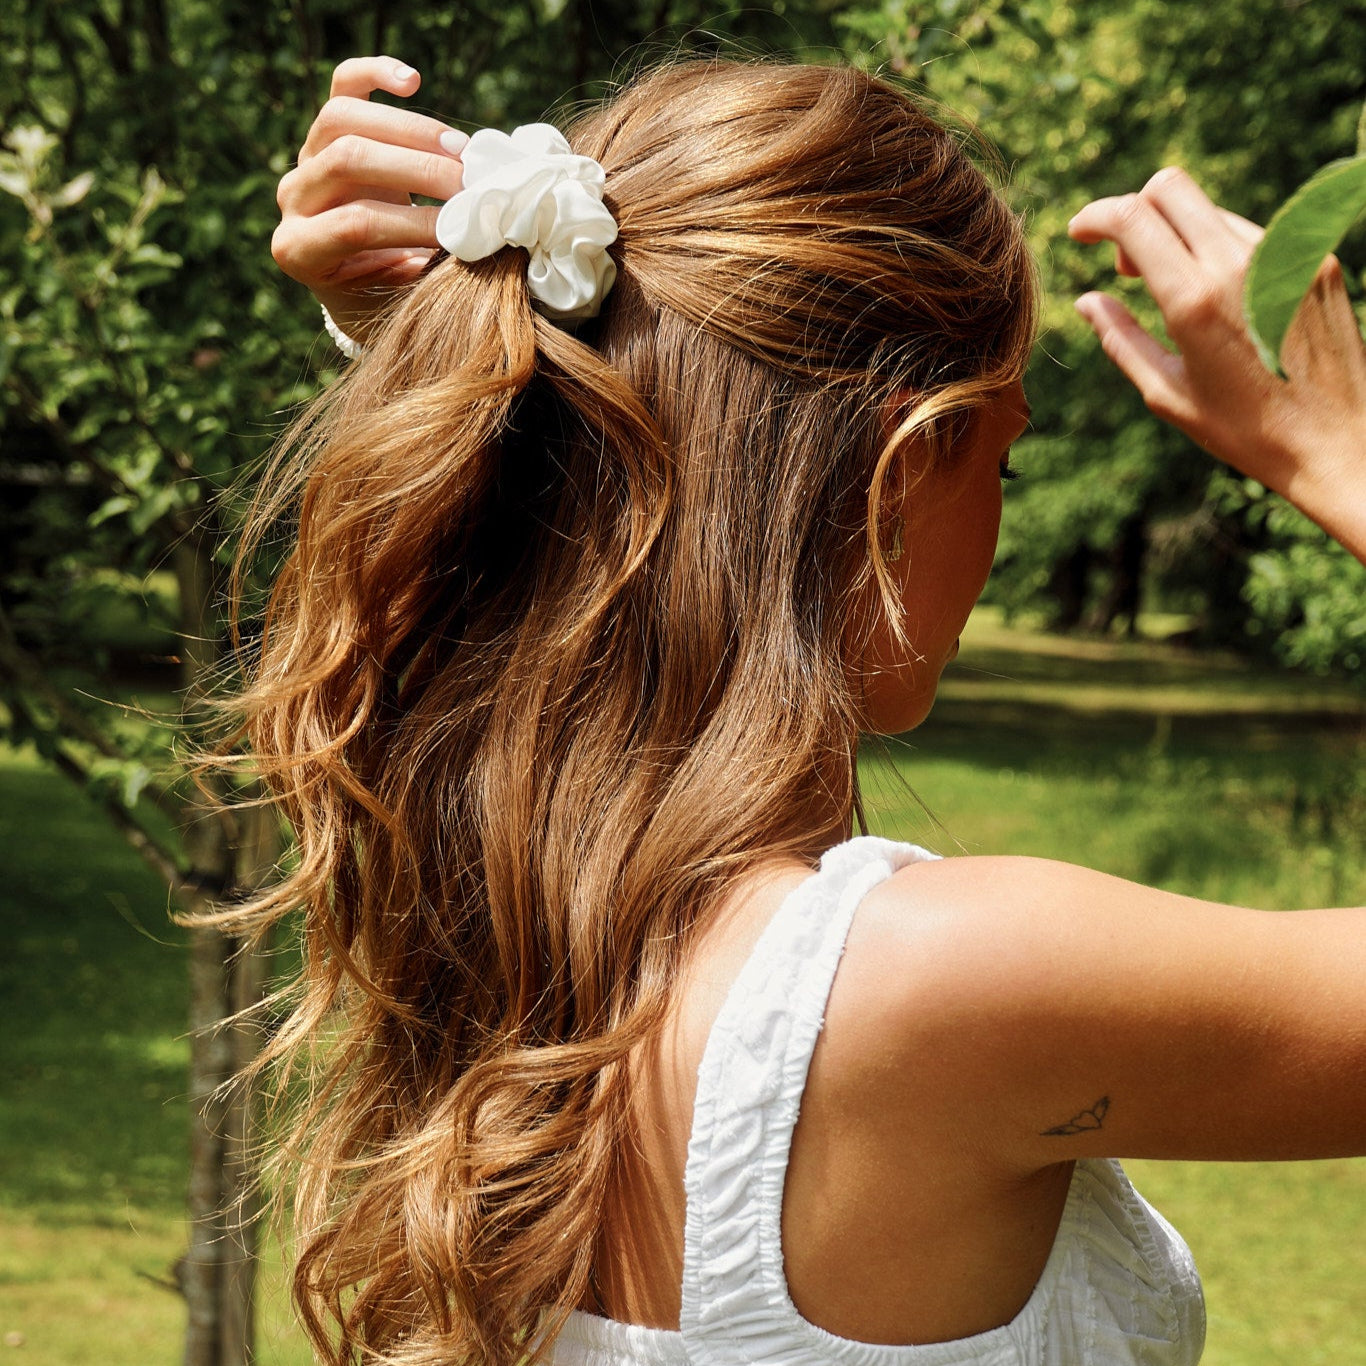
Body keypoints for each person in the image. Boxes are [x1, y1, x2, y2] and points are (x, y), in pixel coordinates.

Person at [248, 54, 1366, 1366]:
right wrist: (1338, 455)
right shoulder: (931, 986)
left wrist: (476, 351)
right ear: (901, 471)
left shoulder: (517, 932)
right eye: (997, 453)